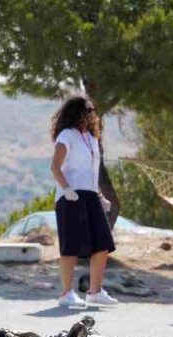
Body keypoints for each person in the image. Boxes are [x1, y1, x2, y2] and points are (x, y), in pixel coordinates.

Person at [49, 95, 117, 308]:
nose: (92, 114)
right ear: (76, 112)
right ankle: (66, 293)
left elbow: (92, 172)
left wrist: (100, 196)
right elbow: (55, 167)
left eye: (93, 110)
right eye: (88, 110)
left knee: (102, 244)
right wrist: (66, 189)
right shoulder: (66, 135)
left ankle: (95, 291)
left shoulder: (92, 138)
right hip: (70, 195)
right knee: (71, 246)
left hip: (90, 195)